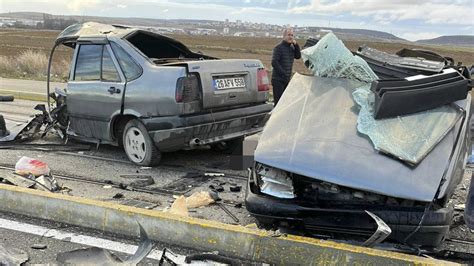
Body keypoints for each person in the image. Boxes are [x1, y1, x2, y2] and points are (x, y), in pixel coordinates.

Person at [271, 27, 301, 106]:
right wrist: (283, 73)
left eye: (292, 35)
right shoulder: (278, 48)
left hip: (286, 80)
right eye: (289, 35)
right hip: (278, 80)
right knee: (278, 104)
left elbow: (298, 56)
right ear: (284, 36)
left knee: (285, 104)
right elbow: (274, 62)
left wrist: (296, 45)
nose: (290, 37)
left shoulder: (291, 48)